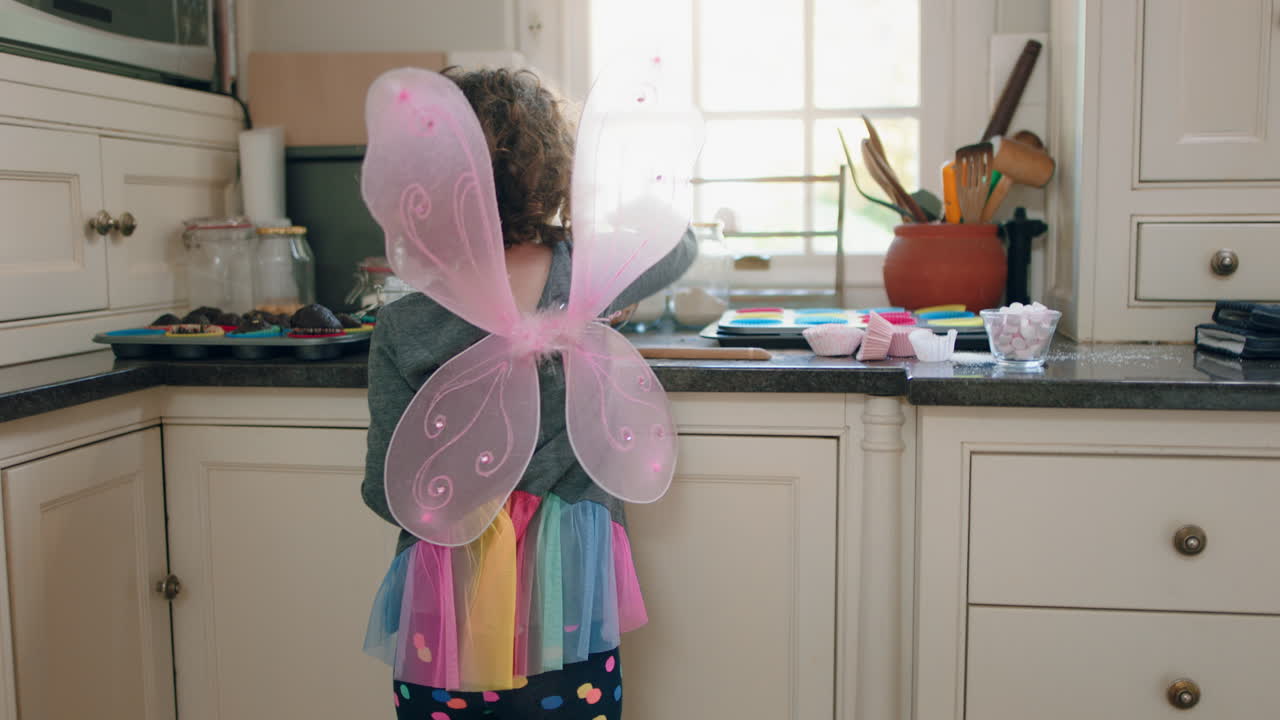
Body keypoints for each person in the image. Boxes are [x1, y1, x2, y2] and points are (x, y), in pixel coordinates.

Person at [361, 67, 697, 720]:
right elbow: (677, 241)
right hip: (568, 599)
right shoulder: (591, 279)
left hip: (447, 606)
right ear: (555, 174)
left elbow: (386, 490)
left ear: (418, 188)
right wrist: (587, 204)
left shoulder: (405, 323)